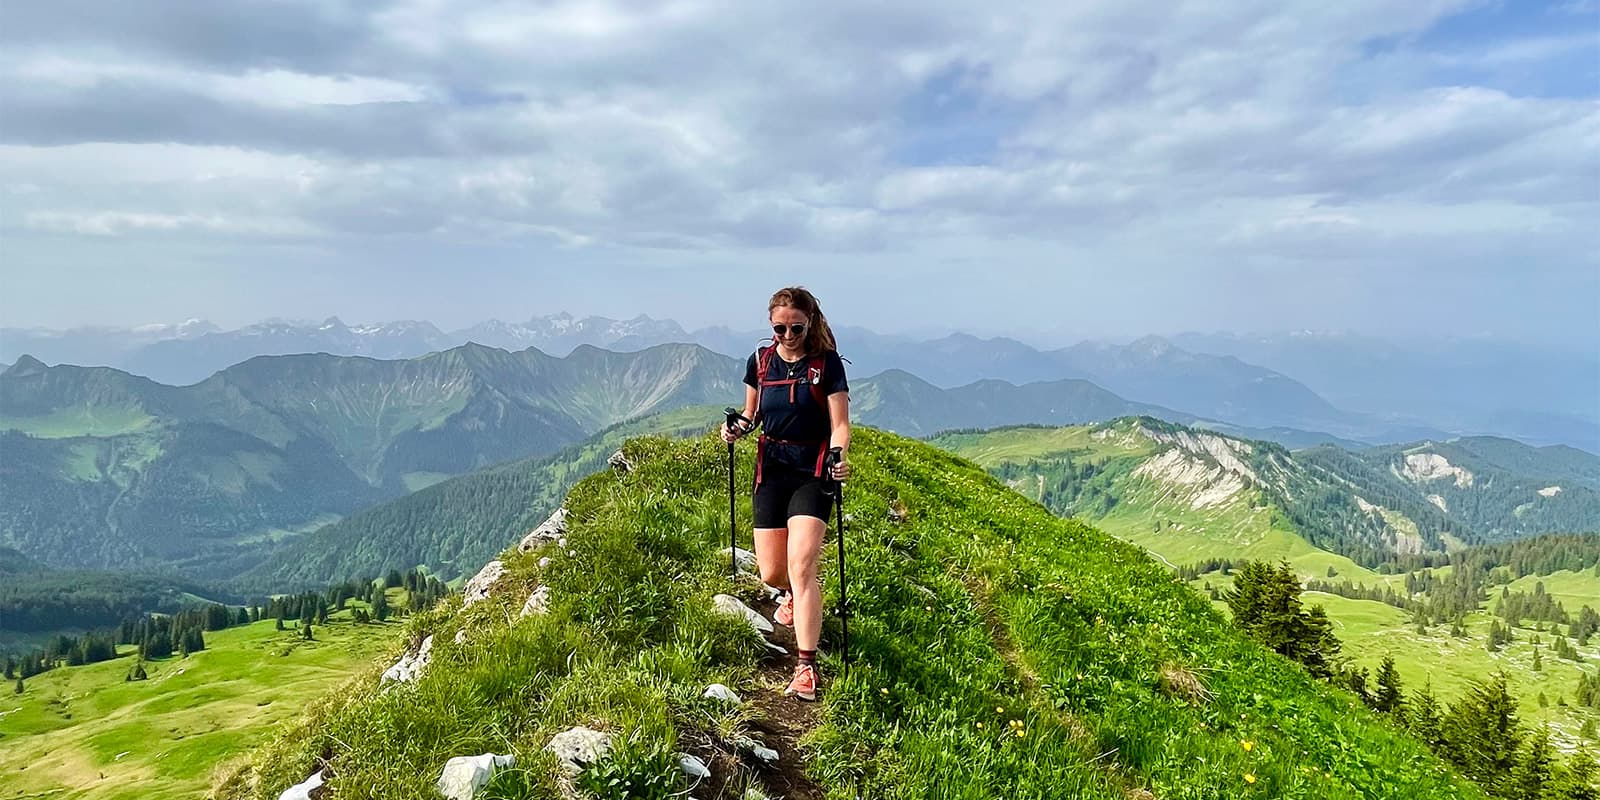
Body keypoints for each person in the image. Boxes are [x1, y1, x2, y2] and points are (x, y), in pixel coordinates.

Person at [720, 286, 851, 701]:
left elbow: (841, 423)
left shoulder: (825, 364)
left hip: (814, 471)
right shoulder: (760, 363)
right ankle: (793, 595)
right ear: (771, 326)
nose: (788, 335)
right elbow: (752, 414)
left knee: (803, 566)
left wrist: (839, 456)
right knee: (773, 574)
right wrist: (736, 428)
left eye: (796, 327)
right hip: (772, 470)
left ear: (809, 323)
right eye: (780, 328)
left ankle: (806, 667)